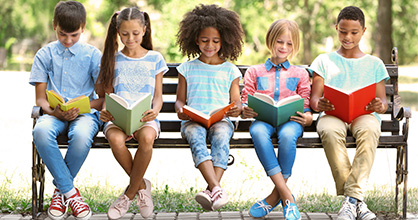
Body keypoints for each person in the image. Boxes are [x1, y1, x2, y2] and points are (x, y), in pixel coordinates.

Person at [309, 6, 389, 220]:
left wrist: (380, 106)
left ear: (363, 31)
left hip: (364, 114)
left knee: (370, 130)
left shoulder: (374, 64)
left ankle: (350, 200)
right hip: (333, 114)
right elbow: (314, 99)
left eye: (354, 32)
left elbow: (382, 101)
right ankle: (357, 201)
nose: (348, 37)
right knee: (328, 131)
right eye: (343, 31)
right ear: (336, 28)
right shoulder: (323, 61)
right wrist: (320, 104)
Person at [29, 1, 102, 220]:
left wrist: (83, 109)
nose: (68, 40)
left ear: (83, 27)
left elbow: (103, 99)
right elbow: (41, 99)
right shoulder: (44, 54)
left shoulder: (93, 55)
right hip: (54, 113)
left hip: (86, 114)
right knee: (40, 132)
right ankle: (71, 193)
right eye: (63, 35)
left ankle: (60, 193)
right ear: (54, 26)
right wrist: (55, 112)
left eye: (74, 35)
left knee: (80, 135)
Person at [95, 7, 168, 220]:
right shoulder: (113, 58)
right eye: (125, 34)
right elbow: (108, 95)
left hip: (145, 118)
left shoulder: (155, 58)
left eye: (135, 33)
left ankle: (128, 195)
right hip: (118, 118)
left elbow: (158, 97)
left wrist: (155, 111)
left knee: (147, 137)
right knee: (116, 139)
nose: (130, 38)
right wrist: (105, 111)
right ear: (118, 31)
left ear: (144, 30)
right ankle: (142, 185)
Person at [175, 4, 244, 211]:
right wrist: (180, 109)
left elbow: (237, 101)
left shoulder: (230, 70)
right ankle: (216, 188)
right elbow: (180, 100)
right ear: (196, 40)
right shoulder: (186, 68)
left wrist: (236, 109)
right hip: (192, 121)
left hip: (220, 120)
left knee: (222, 135)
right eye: (204, 40)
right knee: (196, 137)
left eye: (215, 41)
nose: (209, 45)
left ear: (224, 41)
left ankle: (210, 190)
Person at [241, 19, 311, 220]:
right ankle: (287, 195)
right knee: (257, 131)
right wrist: (246, 111)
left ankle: (274, 197)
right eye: (280, 42)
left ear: (295, 45)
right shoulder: (254, 72)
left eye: (289, 44)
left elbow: (306, 105)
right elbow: (247, 100)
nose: (284, 47)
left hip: (291, 121)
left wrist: (307, 118)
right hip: (263, 120)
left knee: (288, 135)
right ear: (270, 41)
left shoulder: (300, 73)